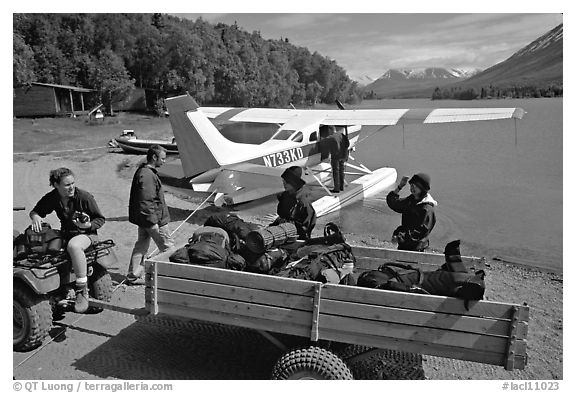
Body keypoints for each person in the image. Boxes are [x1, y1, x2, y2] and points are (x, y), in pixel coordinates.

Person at [29, 168, 105, 313]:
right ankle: (62, 287)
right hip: (66, 233)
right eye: (67, 185)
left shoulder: (84, 197)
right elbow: (36, 211)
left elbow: (100, 219)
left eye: (73, 183)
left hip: (87, 234)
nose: (71, 187)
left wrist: (88, 225)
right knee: (45, 251)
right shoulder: (53, 197)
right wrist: (36, 216)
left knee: (74, 246)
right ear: (56, 185)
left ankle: (82, 291)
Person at [127, 145, 174, 285]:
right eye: (163, 159)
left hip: (145, 220)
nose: (164, 162)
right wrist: (153, 222)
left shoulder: (144, 172)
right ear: (154, 157)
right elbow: (146, 201)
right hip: (153, 220)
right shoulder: (147, 175)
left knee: (141, 246)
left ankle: (133, 276)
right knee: (168, 249)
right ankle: (170, 279)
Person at [386, 173, 437, 252]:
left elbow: (419, 233)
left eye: (416, 185)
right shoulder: (411, 200)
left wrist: (399, 237)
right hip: (404, 245)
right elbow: (395, 204)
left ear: (422, 188)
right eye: (411, 184)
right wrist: (400, 187)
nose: (412, 187)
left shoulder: (427, 209)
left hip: (417, 249)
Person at [271, 166, 317, 240]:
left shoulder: (303, 202)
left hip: (296, 236)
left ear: (295, 183)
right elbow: (281, 215)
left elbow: (307, 226)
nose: (284, 184)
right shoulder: (285, 196)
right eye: (283, 181)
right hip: (281, 231)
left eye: (287, 182)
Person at [320, 125, 349, 193]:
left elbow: (321, 143)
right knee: (341, 171)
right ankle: (341, 186)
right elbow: (347, 143)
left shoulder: (330, 137)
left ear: (330, 130)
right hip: (343, 156)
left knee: (336, 172)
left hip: (335, 157)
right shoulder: (341, 135)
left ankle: (336, 189)